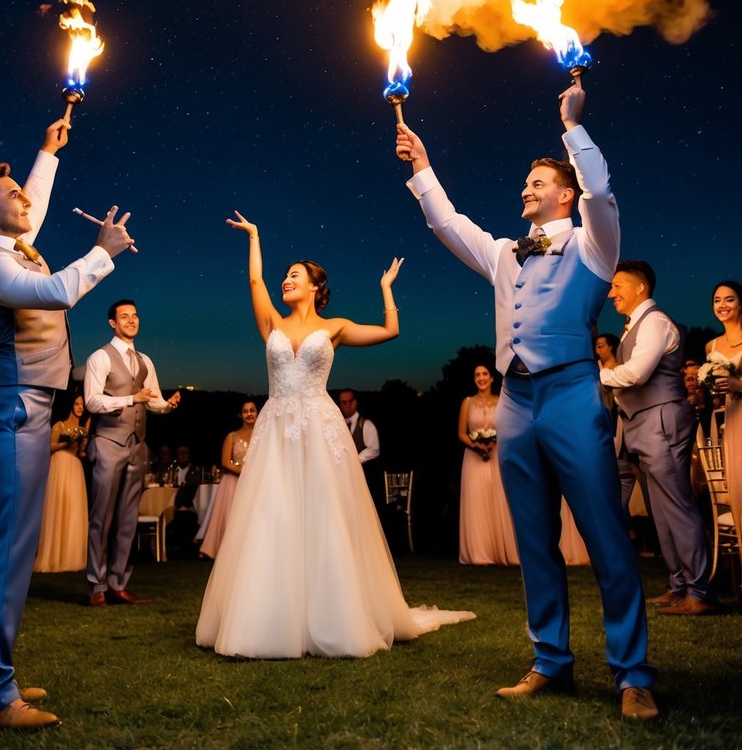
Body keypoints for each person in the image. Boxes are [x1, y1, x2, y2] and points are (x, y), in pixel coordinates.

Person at [396, 83, 657, 720]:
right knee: (534, 541)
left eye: (536, 182)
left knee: (604, 538)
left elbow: (601, 192)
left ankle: (632, 674)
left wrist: (572, 127)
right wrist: (424, 167)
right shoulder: (507, 254)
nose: (525, 189)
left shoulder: (595, 245)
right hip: (514, 403)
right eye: (524, 182)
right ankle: (550, 662)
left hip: (571, 395)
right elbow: (447, 224)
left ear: (563, 194)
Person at [195, 212, 475, 657]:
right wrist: (254, 235)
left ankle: (333, 615)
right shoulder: (272, 322)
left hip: (319, 427)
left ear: (313, 286)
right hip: (276, 426)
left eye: (294, 276)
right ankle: (267, 617)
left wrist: (386, 290)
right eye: (284, 275)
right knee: (273, 514)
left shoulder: (335, 327)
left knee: (323, 515)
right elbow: (254, 282)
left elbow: (391, 330)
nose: (286, 280)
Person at [0, 117, 134, 729]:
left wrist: (46, 155)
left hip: (27, 407)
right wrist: (101, 256)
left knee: (10, 551)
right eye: (12, 196)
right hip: (13, 410)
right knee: (5, 553)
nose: (25, 201)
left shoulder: (10, 245)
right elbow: (56, 292)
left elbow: (35, 206)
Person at [602, 261, 715, 614]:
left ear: (640, 287)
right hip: (642, 425)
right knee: (660, 512)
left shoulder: (655, 322)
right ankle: (678, 584)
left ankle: (700, 591)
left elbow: (636, 373)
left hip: (662, 421)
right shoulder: (633, 326)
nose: (611, 293)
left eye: (618, 285)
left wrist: (597, 374)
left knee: (677, 506)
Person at [84, 299, 181, 606]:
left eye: (135, 315)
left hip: (138, 447)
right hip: (108, 443)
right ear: (112, 323)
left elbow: (152, 400)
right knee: (102, 518)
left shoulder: (145, 361)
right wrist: (129, 399)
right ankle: (97, 587)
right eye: (124, 316)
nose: (131, 320)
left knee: (128, 520)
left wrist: (166, 406)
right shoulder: (99, 358)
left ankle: (118, 584)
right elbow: (92, 402)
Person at [457, 364, 518, 565]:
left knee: (500, 500)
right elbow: (461, 433)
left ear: (492, 378)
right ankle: (480, 553)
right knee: (477, 501)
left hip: (497, 454)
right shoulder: (467, 402)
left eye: (484, 374)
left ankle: (503, 550)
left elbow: (509, 429)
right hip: (474, 459)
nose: (481, 378)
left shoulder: (502, 401)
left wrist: (493, 442)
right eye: (477, 375)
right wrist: (476, 446)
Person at [33, 393, 91, 573]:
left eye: (82, 404)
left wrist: (84, 446)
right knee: (59, 507)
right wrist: (66, 443)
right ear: (70, 406)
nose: (80, 407)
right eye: (77, 403)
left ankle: (71, 557)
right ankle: (54, 556)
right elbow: (48, 447)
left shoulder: (82, 429)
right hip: (60, 465)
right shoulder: (60, 425)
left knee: (73, 509)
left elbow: (81, 453)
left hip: (75, 467)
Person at [704, 280, 742, 544]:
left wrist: (739, 384)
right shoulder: (712, 347)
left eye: (729, 299)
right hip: (732, 421)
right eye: (717, 300)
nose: (722, 305)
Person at [199, 399, 258, 559]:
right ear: (240, 415)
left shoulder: (263, 436)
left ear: (257, 413)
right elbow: (225, 462)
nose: (249, 414)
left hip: (256, 483)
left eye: (252, 410)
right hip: (233, 482)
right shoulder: (232, 436)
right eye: (245, 411)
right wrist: (244, 472)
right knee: (233, 518)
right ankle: (230, 553)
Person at [337, 388, 383, 509]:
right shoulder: (337, 425)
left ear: (354, 402)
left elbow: (374, 449)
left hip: (363, 479)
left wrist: (354, 460)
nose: (345, 405)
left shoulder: (366, 424)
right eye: (342, 402)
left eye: (348, 401)